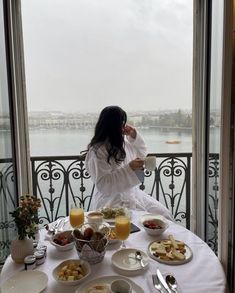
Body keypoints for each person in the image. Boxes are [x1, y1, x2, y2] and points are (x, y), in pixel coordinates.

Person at [85, 106, 173, 220]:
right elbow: (103, 184)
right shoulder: (98, 151)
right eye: (121, 124)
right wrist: (129, 169)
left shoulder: (124, 143)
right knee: (131, 227)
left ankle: (167, 238)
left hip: (133, 194)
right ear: (113, 126)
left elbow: (142, 155)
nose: (123, 127)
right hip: (110, 199)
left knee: (164, 215)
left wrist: (134, 136)